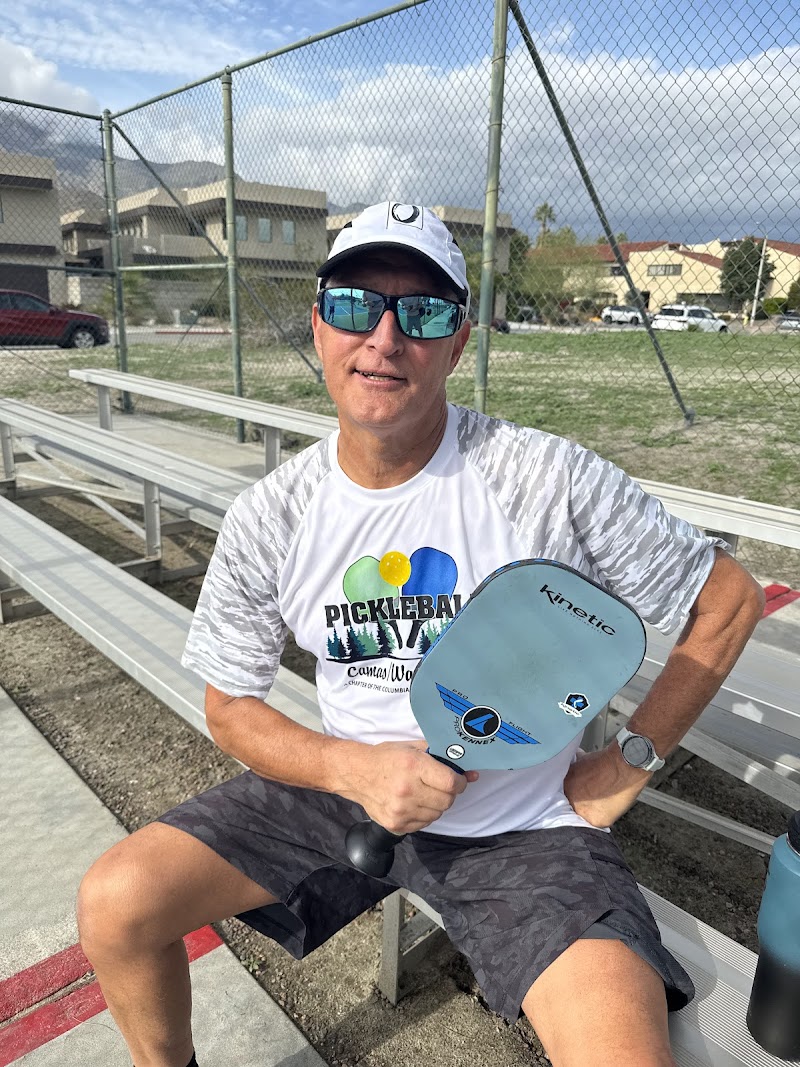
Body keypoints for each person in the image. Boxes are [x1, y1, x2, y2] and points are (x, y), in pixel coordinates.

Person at [77, 202, 765, 1067]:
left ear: (459, 339)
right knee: (117, 901)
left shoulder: (542, 478)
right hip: (340, 796)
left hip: (523, 831)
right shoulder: (272, 514)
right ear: (321, 323)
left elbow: (729, 597)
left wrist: (629, 760)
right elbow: (230, 704)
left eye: (425, 311)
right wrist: (351, 767)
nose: (387, 338)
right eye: (359, 305)